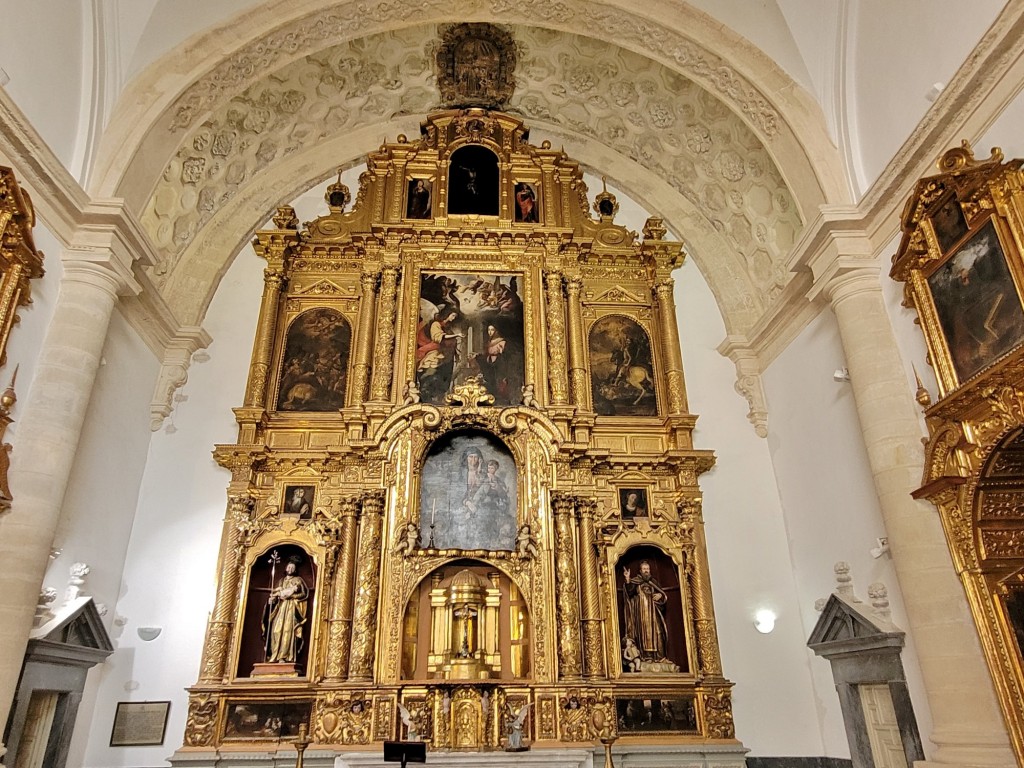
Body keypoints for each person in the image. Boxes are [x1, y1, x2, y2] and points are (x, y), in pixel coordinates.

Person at [262, 555, 309, 663]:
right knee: (276, 630)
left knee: (287, 631)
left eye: (292, 568)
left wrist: (291, 596)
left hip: (291, 608)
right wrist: (272, 600)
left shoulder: (298, 580)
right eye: (289, 567)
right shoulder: (281, 581)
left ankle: (284, 656)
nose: (290, 569)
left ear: (295, 569)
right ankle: (274, 654)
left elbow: (304, 593)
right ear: (285, 568)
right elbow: (276, 594)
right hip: (281, 607)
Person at [622, 560, 670, 663]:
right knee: (643, 635)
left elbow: (662, 594)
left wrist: (660, 595)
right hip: (641, 613)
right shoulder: (635, 581)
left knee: (659, 632)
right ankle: (647, 657)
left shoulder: (654, 582)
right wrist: (627, 579)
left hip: (654, 612)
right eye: (644, 569)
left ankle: (660, 657)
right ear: (640, 570)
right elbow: (629, 593)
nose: (646, 571)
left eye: (648, 569)